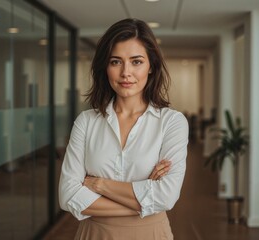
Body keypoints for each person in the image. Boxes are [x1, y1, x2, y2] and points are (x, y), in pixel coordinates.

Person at [58, 18, 189, 240]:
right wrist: (145, 199)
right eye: (116, 62)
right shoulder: (86, 122)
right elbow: (68, 195)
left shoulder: (172, 122)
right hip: (95, 233)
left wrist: (99, 184)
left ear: (151, 67)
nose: (126, 72)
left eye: (136, 62)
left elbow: (166, 197)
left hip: (151, 233)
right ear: (105, 67)